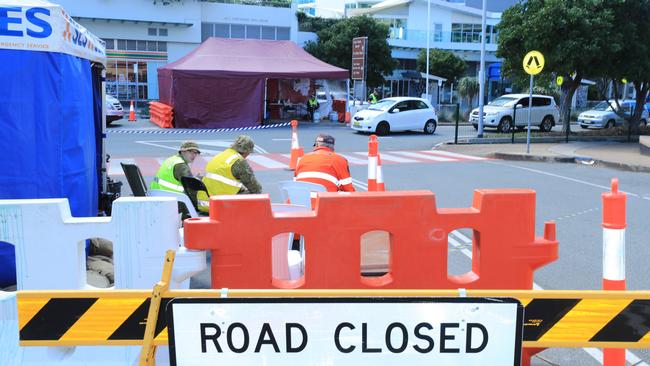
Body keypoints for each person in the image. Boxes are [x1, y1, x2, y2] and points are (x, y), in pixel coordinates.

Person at [197, 135, 262, 212]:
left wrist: (240, 188)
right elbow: (255, 188)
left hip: (203, 203)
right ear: (247, 152)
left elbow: (223, 180)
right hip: (218, 206)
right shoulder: (239, 162)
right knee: (255, 195)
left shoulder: (221, 155)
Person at [150, 140, 201, 219]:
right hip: (173, 201)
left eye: (196, 153)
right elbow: (191, 189)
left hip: (157, 195)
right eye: (191, 152)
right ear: (183, 152)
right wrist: (199, 206)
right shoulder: (181, 166)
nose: (194, 155)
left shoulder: (171, 160)